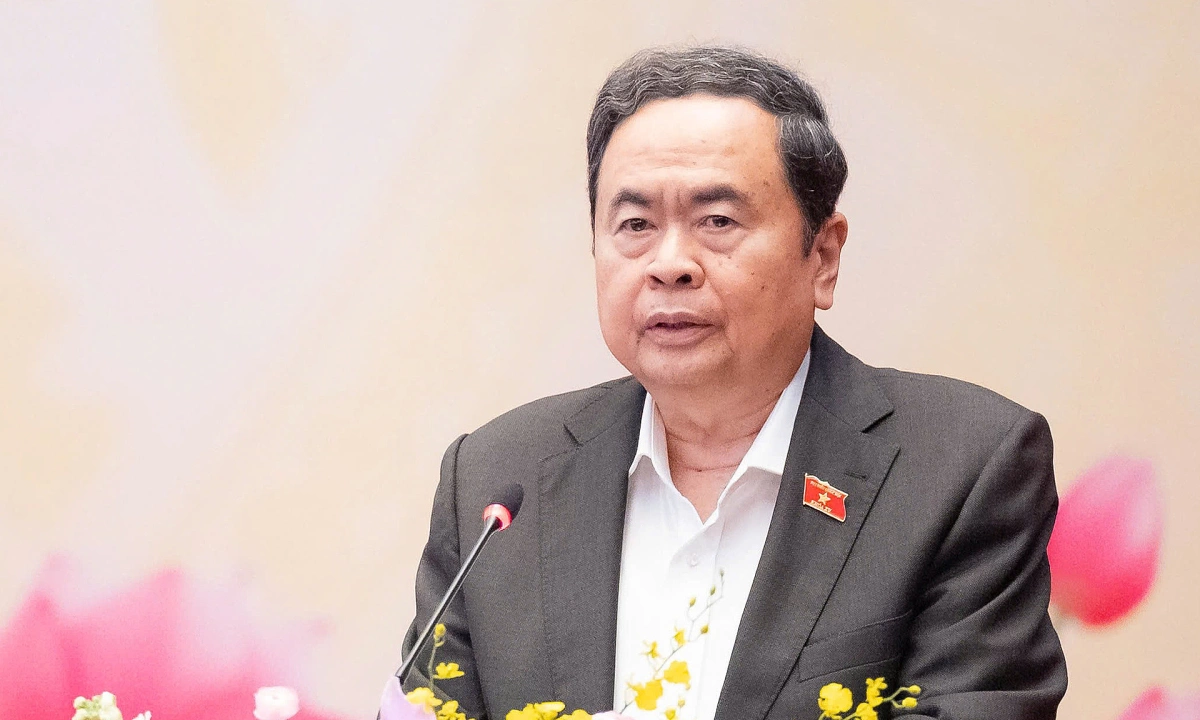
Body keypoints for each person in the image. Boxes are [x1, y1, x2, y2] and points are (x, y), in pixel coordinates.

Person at [398, 46, 1067, 720]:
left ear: (823, 257)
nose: (670, 264)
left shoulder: (960, 468)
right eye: (635, 225)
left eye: (717, 221)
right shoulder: (495, 481)